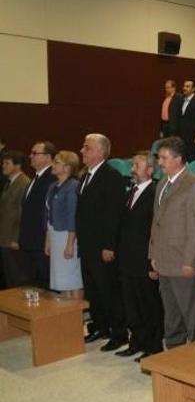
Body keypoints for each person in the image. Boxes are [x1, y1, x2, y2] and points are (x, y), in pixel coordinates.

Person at [149, 137, 195, 349]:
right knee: (171, 314)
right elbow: (156, 222)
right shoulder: (162, 183)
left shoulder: (194, 185)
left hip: (182, 261)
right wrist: (152, 254)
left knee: (192, 314)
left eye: (164, 158)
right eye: (159, 157)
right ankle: (174, 356)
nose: (160, 162)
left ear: (179, 159)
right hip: (163, 259)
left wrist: (190, 261)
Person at [77, 134, 128, 351]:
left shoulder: (111, 176)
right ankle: (100, 326)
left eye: (87, 147)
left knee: (109, 290)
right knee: (93, 290)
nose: (82, 151)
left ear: (100, 151)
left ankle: (118, 332)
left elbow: (113, 214)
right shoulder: (85, 176)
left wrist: (109, 245)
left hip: (102, 246)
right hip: (87, 244)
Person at [115, 151, 163, 361]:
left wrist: (153, 262)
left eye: (137, 165)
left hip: (145, 259)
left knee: (148, 304)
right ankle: (137, 342)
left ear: (150, 170)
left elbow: (156, 230)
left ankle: (153, 346)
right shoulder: (131, 191)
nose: (132, 169)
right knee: (131, 304)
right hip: (127, 258)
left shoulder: (155, 192)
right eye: (132, 164)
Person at [19, 141, 57, 289]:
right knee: (32, 282)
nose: (30, 156)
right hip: (29, 240)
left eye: (35, 153)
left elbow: (49, 212)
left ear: (48, 157)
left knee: (44, 281)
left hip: (41, 240)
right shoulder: (35, 178)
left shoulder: (52, 178)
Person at [44, 151, 82, 297]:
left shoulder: (73, 186)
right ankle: (65, 316)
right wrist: (48, 240)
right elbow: (48, 214)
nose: (53, 165)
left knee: (73, 279)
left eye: (57, 162)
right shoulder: (53, 186)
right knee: (61, 280)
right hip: (55, 234)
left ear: (67, 167)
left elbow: (73, 215)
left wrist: (70, 244)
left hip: (68, 235)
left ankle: (75, 315)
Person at [0, 151, 30, 287]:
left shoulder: (24, 183)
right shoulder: (9, 183)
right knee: (7, 276)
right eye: (3, 163)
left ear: (17, 166)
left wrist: (16, 238)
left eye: (7, 163)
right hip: (4, 237)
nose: (3, 166)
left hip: (12, 239)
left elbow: (22, 213)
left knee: (16, 276)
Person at [173, 80, 195, 161]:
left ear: (193, 89)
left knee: (191, 159)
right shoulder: (180, 101)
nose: (185, 88)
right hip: (181, 136)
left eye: (188, 86)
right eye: (184, 86)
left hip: (192, 137)